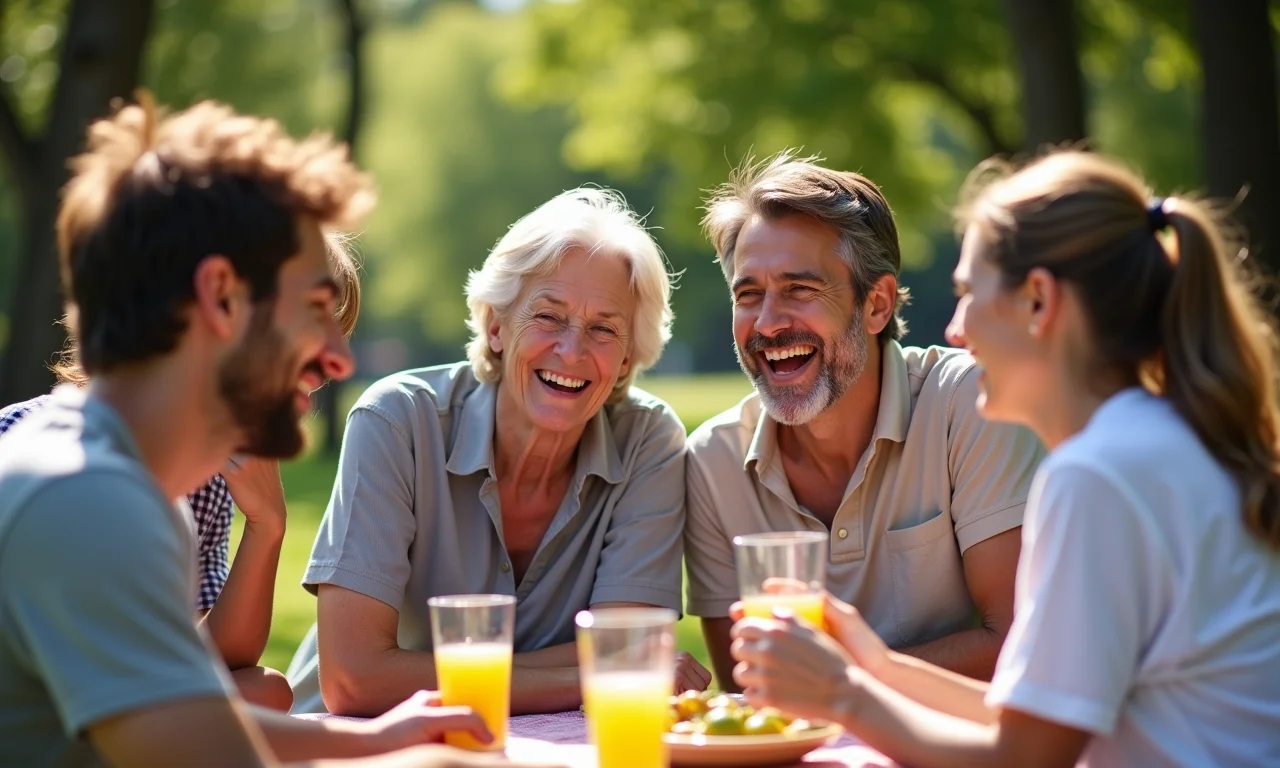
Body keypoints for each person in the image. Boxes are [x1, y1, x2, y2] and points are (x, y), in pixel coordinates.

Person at [0, 93, 563, 768]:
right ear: (221, 297)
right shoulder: (84, 496)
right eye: (316, 308)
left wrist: (375, 740)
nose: (339, 359)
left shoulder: (123, 486)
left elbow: (189, 723)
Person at [729, 151, 1280, 767]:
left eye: (969, 293)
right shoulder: (1151, 442)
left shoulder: (1097, 476)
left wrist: (842, 693)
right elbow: (1028, 717)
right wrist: (873, 664)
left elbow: (1024, 758)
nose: (956, 330)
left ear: (1038, 301)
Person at [287, 187, 711, 716]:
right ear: (495, 326)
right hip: (352, 742)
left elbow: (630, 648)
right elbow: (355, 682)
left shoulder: (649, 441)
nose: (572, 351)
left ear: (627, 358)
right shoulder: (399, 420)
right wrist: (594, 675)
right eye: (548, 317)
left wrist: (610, 664)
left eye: (604, 329)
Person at [683, 151, 1045, 689]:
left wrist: (835, 679)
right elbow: (749, 684)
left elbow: (1017, 646)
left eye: (800, 289)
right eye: (749, 294)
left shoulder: (968, 403)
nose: (768, 323)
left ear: (877, 305)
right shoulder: (714, 461)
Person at [0, 233, 360, 712]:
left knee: (267, 690)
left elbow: (198, 665)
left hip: (102, 708)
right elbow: (146, 696)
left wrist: (267, 524)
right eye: (312, 321)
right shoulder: (60, 469)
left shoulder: (199, 480)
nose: (336, 364)